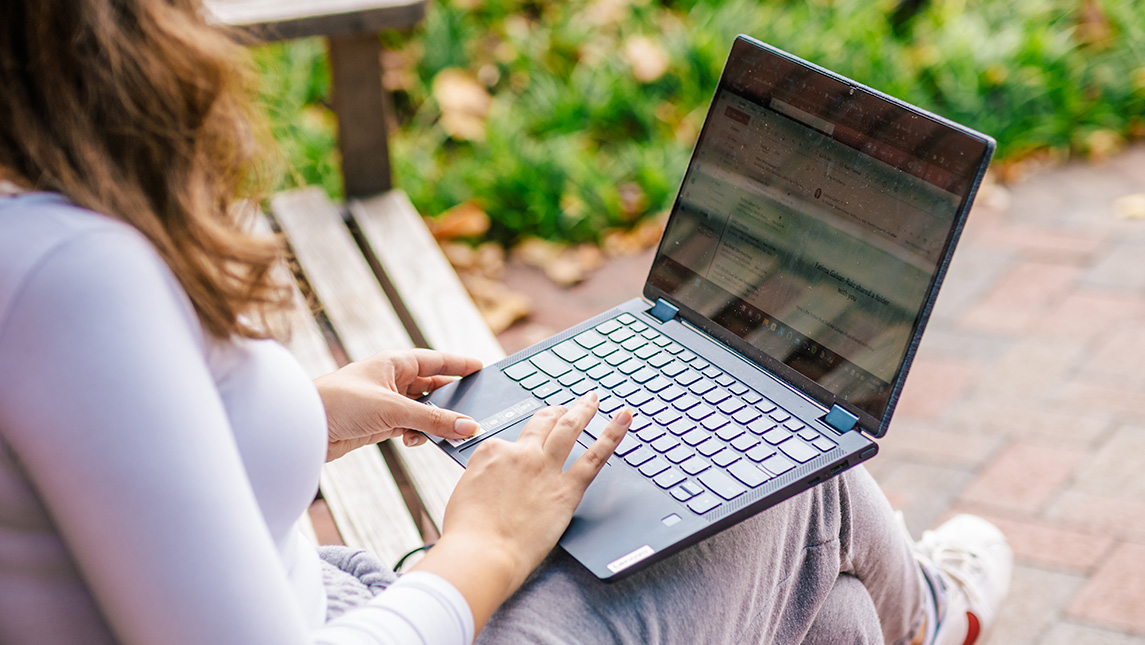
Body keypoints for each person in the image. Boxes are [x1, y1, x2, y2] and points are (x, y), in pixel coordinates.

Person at [0, 1, 1013, 643]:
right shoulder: (73, 275)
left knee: (827, 611)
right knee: (793, 483)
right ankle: (927, 613)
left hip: (338, 604)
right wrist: (480, 550)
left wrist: (308, 414)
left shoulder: (39, 244)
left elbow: (84, 479)